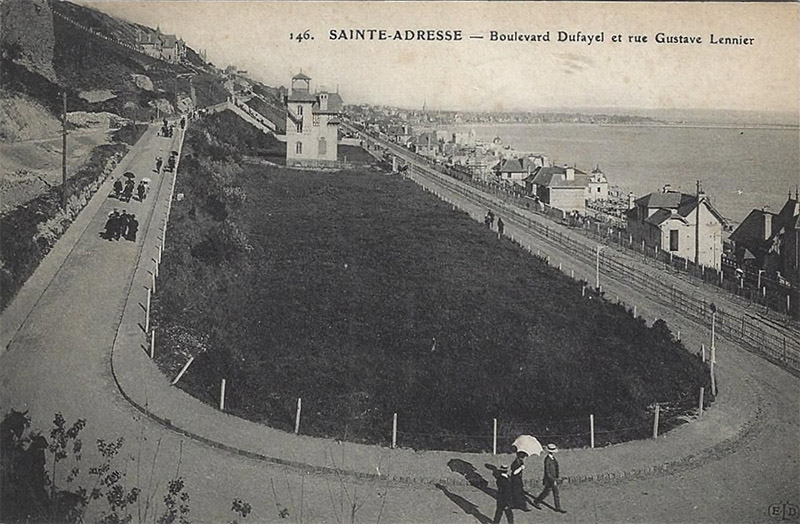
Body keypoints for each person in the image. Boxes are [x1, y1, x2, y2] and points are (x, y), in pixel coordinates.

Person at [533, 443, 566, 513]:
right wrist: (553, 480)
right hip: (549, 479)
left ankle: (537, 501)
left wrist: (556, 477)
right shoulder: (547, 459)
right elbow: (547, 472)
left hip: (552, 479)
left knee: (547, 492)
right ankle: (558, 507)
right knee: (553, 492)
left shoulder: (552, 459)